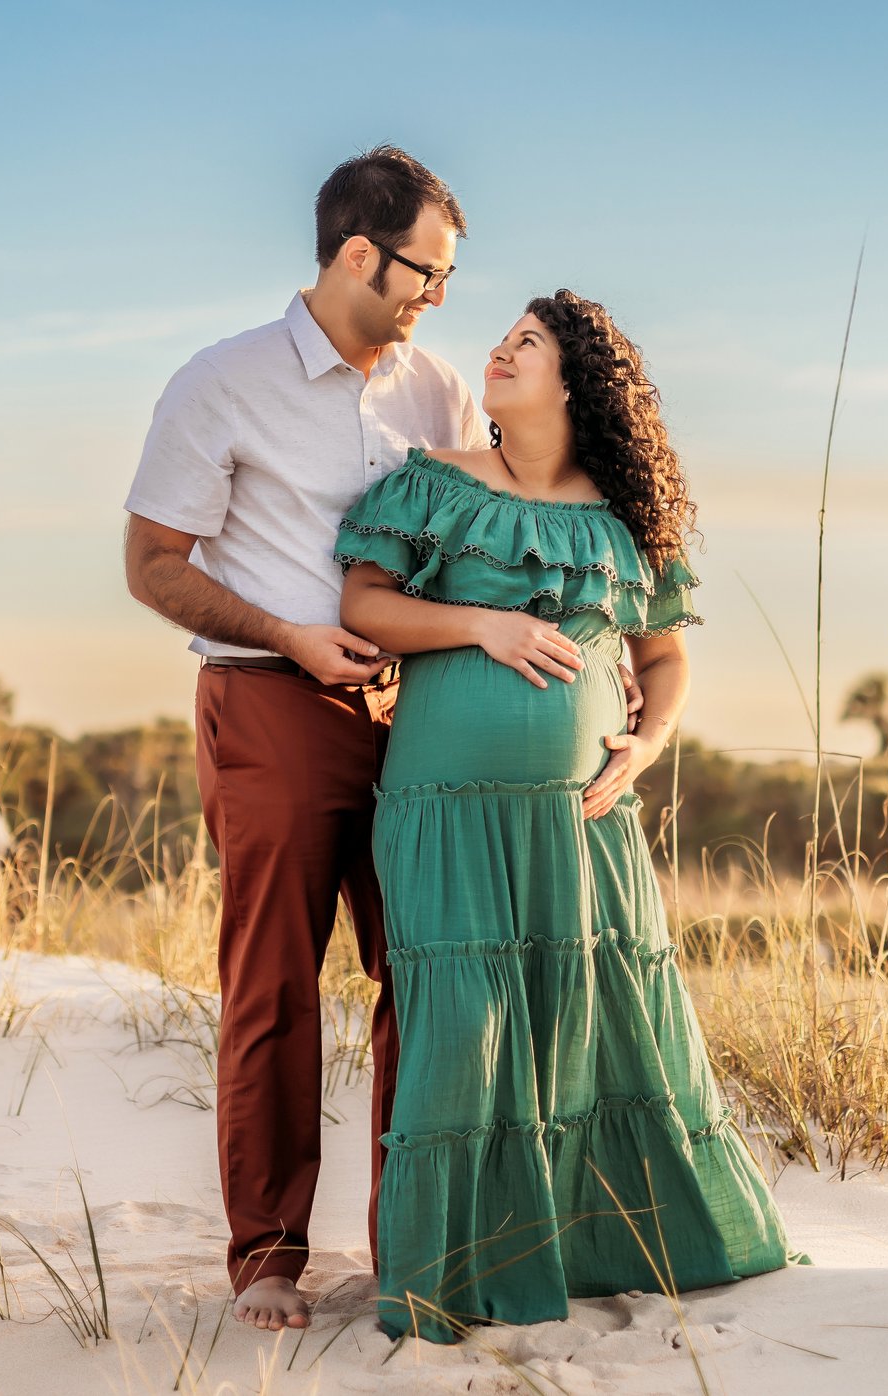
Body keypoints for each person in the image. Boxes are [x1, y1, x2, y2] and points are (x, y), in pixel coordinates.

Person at [336, 290, 795, 1342]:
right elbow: (365, 604)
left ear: (577, 383)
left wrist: (650, 743)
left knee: (596, 1024)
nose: (496, 355)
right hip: (445, 809)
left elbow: (665, 654)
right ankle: (452, 1278)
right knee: (468, 1030)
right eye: (499, 342)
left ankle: (616, 1246)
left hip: (584, 812)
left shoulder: (625, 517)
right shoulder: (433, 485)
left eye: (523, 346)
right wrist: (482, 626)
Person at [122, 146, 486, 1332]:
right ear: (353, 253)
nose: (436, 297)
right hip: (269, 702)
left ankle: (408, 1242)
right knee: (274, 983)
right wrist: (290, 633)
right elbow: (152, 567)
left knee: (421, 977)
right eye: (423, 273)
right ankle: (268, 1258)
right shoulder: (220, 381)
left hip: (416, 713)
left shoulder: (437, 391)